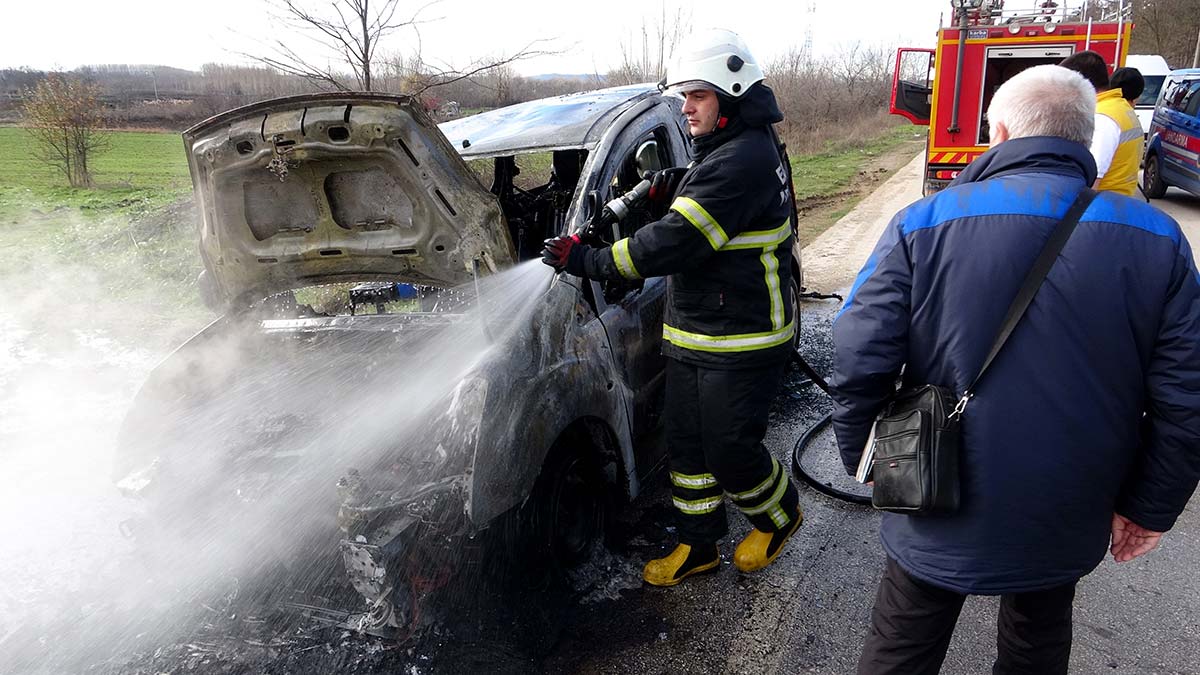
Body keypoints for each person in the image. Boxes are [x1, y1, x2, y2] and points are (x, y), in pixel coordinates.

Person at [830, 64, 1200, 674]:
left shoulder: (923, 223)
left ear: (997, 131)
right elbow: (1185, 396)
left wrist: (868, 455)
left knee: (904, 640)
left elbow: (857, 350)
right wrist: (1150, 505)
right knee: (1038, 635)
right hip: (1070, 494)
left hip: (934, 481)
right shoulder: (1157, 238)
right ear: (1085, 141)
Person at [541, 28, 802, 587]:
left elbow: (672, 243)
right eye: (684, 96)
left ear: (730, 95)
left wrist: (586, 260)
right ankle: (699, 543)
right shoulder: (732, 147)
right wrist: (674, 180)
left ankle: (779, 516)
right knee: (687, 446)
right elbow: (705, 183)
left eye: (698, 96)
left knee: (731, 450)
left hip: (744, 334)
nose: (686, 108)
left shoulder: (746, 158)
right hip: (694, 329)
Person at [1060, 50, 1142, 195]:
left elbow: (1093, 178)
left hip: (1101, 206)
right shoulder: (1119, 107)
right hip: (1116, 202)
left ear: (1080, 85)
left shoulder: (1103, 119)